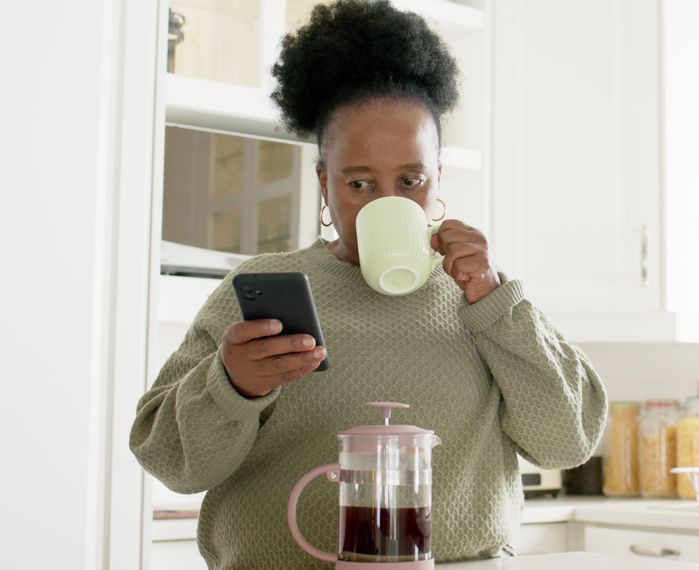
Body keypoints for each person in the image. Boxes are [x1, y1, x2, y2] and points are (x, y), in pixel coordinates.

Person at [129, 1, 607, 567]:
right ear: (324, 184)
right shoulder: (258, 287)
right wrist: (232, 385)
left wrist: (497, 302)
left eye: (410, 179)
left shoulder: (481, 295)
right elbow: (171, 461)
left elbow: (568, 441)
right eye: (359, 182)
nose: (388, 202)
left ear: (438, 179)